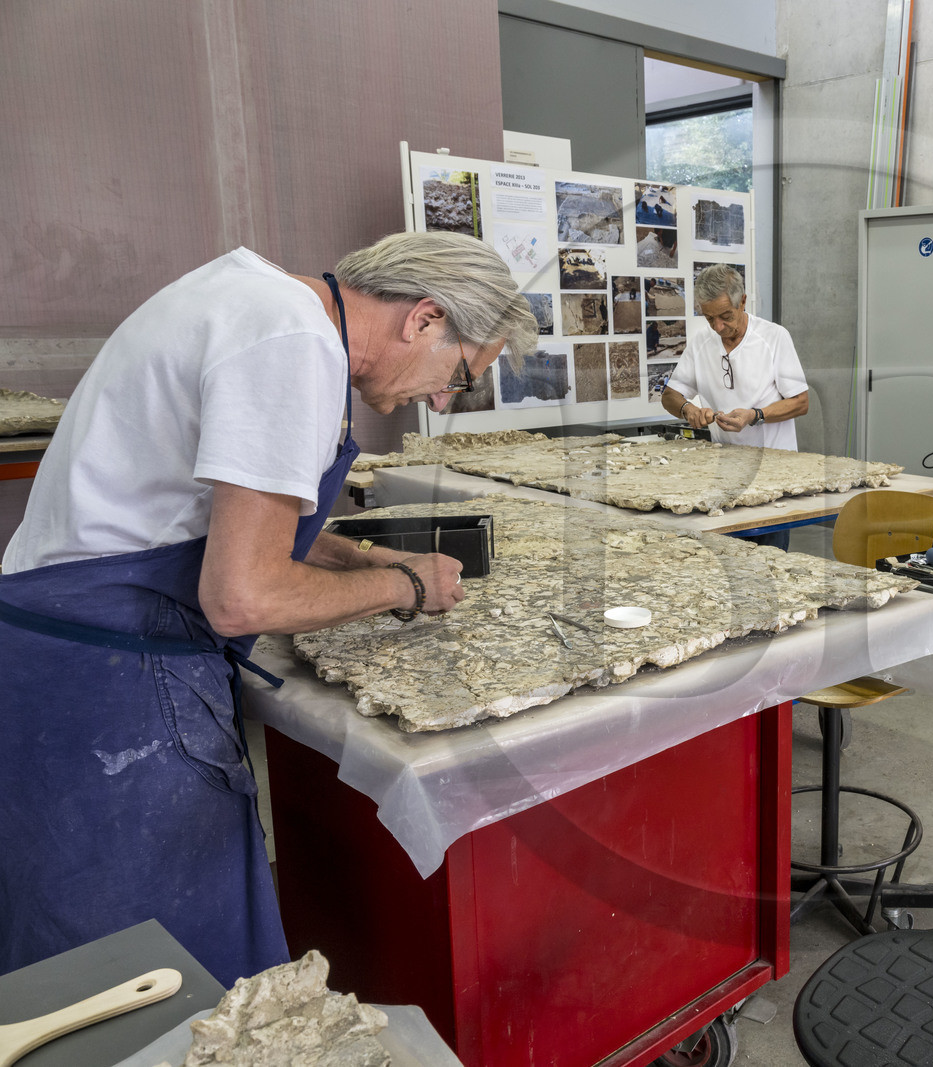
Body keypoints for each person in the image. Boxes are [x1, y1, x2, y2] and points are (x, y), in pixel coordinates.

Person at [0, 232, 539, 985]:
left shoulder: (252, 297)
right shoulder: (294, 345)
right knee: (151, 974)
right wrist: (405, 590)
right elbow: (243, 595)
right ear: (423, 318)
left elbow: (237, 515)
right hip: (109, 682)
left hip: (57, 651)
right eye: (460, 374)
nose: (445, 399)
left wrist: (372, 558)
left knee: (72, 963)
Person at [660, 264, 809, 550]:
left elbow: (801, 402)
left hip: (772, 476)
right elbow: (670, 395)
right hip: (725, 474)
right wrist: (688, 409)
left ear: (743, 301)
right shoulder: (701, 342)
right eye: (709, 318)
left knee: (769, 564)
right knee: (726, 563)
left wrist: (756, 415)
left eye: (726, 317)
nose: (718, 327)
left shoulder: (774, 338)